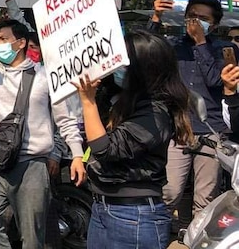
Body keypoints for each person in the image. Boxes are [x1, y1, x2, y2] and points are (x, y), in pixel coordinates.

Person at [72, 30, 193, 249]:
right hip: (102, 207)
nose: (116, 67)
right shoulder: (121, 99)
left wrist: (87, 102)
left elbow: (104, 148)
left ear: (143, 70)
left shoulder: (155, 113)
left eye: (123, 62)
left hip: (133, 215)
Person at [0, 19, 85, 249]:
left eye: (3, 39)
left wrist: (77, 155)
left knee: (32, 234)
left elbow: (66, 120)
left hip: (32, 166)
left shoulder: (46, 76)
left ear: (20, 43)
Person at [148, 0, 228, 223]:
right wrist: (156, 16)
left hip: (211, 130)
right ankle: (157, 234)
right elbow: (146, 51)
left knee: (206, 197)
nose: (195, 22)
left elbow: (216, 80)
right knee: (170, 191)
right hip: (178, 129)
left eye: (202, 18)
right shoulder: (173, 47)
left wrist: (201, 43)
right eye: (192, 16)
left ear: (214, 24)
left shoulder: (225, 50)